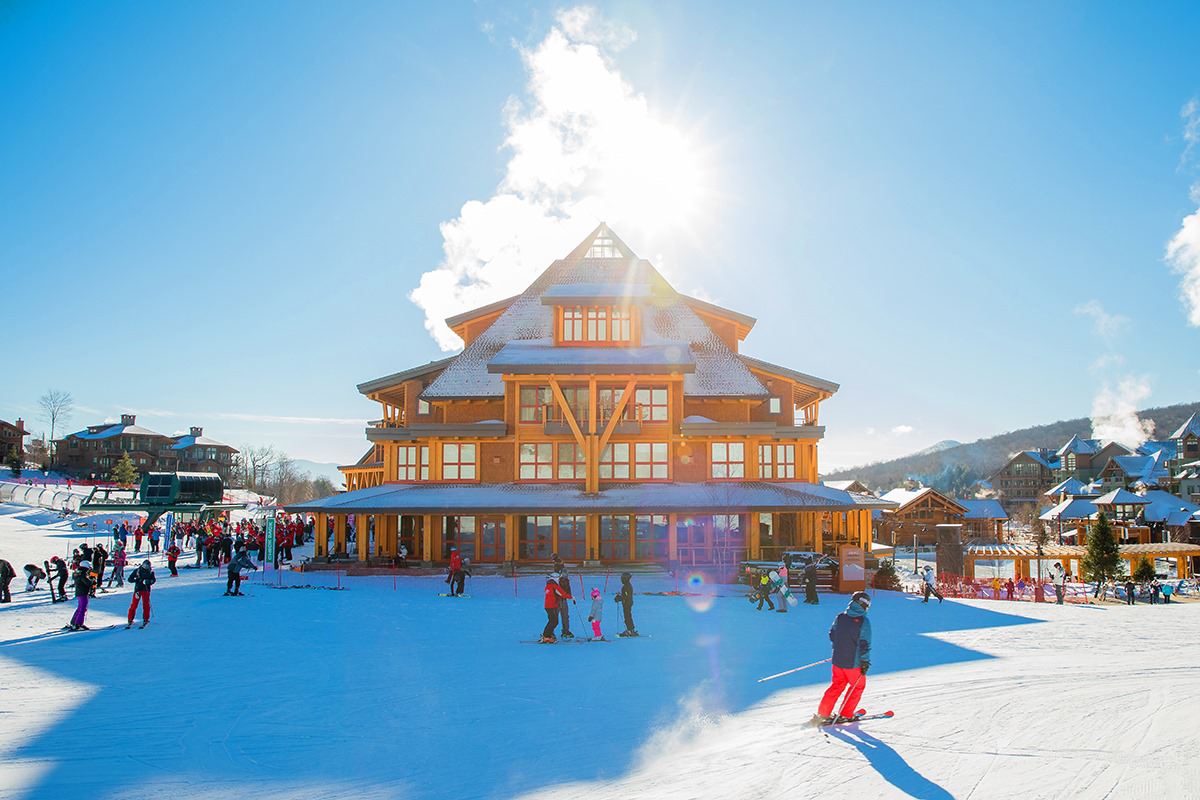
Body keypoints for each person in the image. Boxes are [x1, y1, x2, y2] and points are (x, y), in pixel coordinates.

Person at [811, 591, 873, 726]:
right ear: (864, 604)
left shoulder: (840, 617)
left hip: (838, 661)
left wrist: (839, 649)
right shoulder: (863, 621)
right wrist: (864, 662)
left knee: (837, 685)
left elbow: (832, 634)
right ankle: (846, 714)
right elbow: (865, 644)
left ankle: (823, 713)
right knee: (858, 686)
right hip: (854, 664)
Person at [540, 574, 570, 643]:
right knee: (554, 621)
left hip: (547, 606)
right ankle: (546, 636)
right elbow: (563, 594)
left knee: (552, 621)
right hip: (552, 606)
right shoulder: (555, 586)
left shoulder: (548, 586)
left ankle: (548, 635)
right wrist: (571, 597)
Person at [126, 559, 155, 628]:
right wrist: (136, 579)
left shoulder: (150, 572)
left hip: (146, 590)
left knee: (146, 605)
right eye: (144, 565)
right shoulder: (137, 571)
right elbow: (130, 579)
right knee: (134, 605)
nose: (145, 567)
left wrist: (148, 582)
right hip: (138, 590)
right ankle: (130, 619)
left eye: (146, 566)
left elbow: (153, 580)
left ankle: (146, 619)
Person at [67, 560, 95, 630]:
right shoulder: (83, 573)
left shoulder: (77, 572)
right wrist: (92, 581)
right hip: (83, 592)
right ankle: (79, 623)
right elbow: (87, 582)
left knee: (80, 608)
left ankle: (74, 622)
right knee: (83, 608)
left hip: (79, 592)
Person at [614, 572, 637, 636]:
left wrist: (620, 598)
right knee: (627, 616)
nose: (621, 580)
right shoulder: (625, 586)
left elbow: (627, 596)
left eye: (622, 578)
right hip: (626, 603)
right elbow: (625, 595)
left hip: (627, 603)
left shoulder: (627, 586)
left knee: (627, 617)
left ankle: (630, 630)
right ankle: (630, 629)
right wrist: (619, 597)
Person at [556, 566, 574, 637]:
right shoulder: (557, 581)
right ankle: (551, 632)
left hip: (564, 601)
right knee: (554, 617)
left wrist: (569, 595)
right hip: (557, 601)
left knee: (565, 616)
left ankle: (565, 630)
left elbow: (568, 590)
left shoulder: (567, 581)